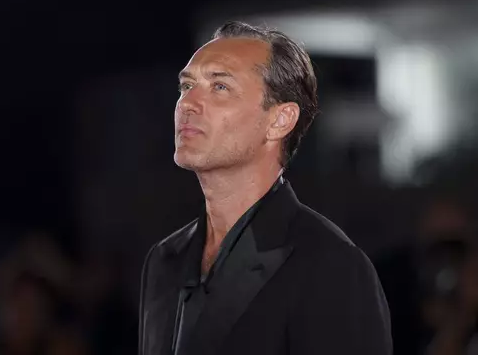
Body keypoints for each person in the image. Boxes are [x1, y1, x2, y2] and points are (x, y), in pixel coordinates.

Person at [137, 21, 392, 355]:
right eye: (186, 86)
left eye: (220, 87)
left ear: (280, 120)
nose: (188, 103)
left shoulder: (330, 265)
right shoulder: (164, 260)